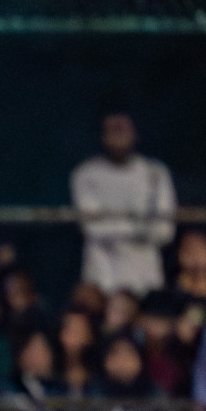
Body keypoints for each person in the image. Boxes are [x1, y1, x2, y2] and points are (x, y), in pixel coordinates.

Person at [71, 113, 176, 295]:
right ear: (103, 135)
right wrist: (141, 228)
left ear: (134, 133)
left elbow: (165, 230)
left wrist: (113, 223)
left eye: (123, 129)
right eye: (113, 130)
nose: (118, 136)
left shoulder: (156, 172)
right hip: (102, 276)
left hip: (146, 277)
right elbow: (92, 228)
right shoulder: (85, 174)